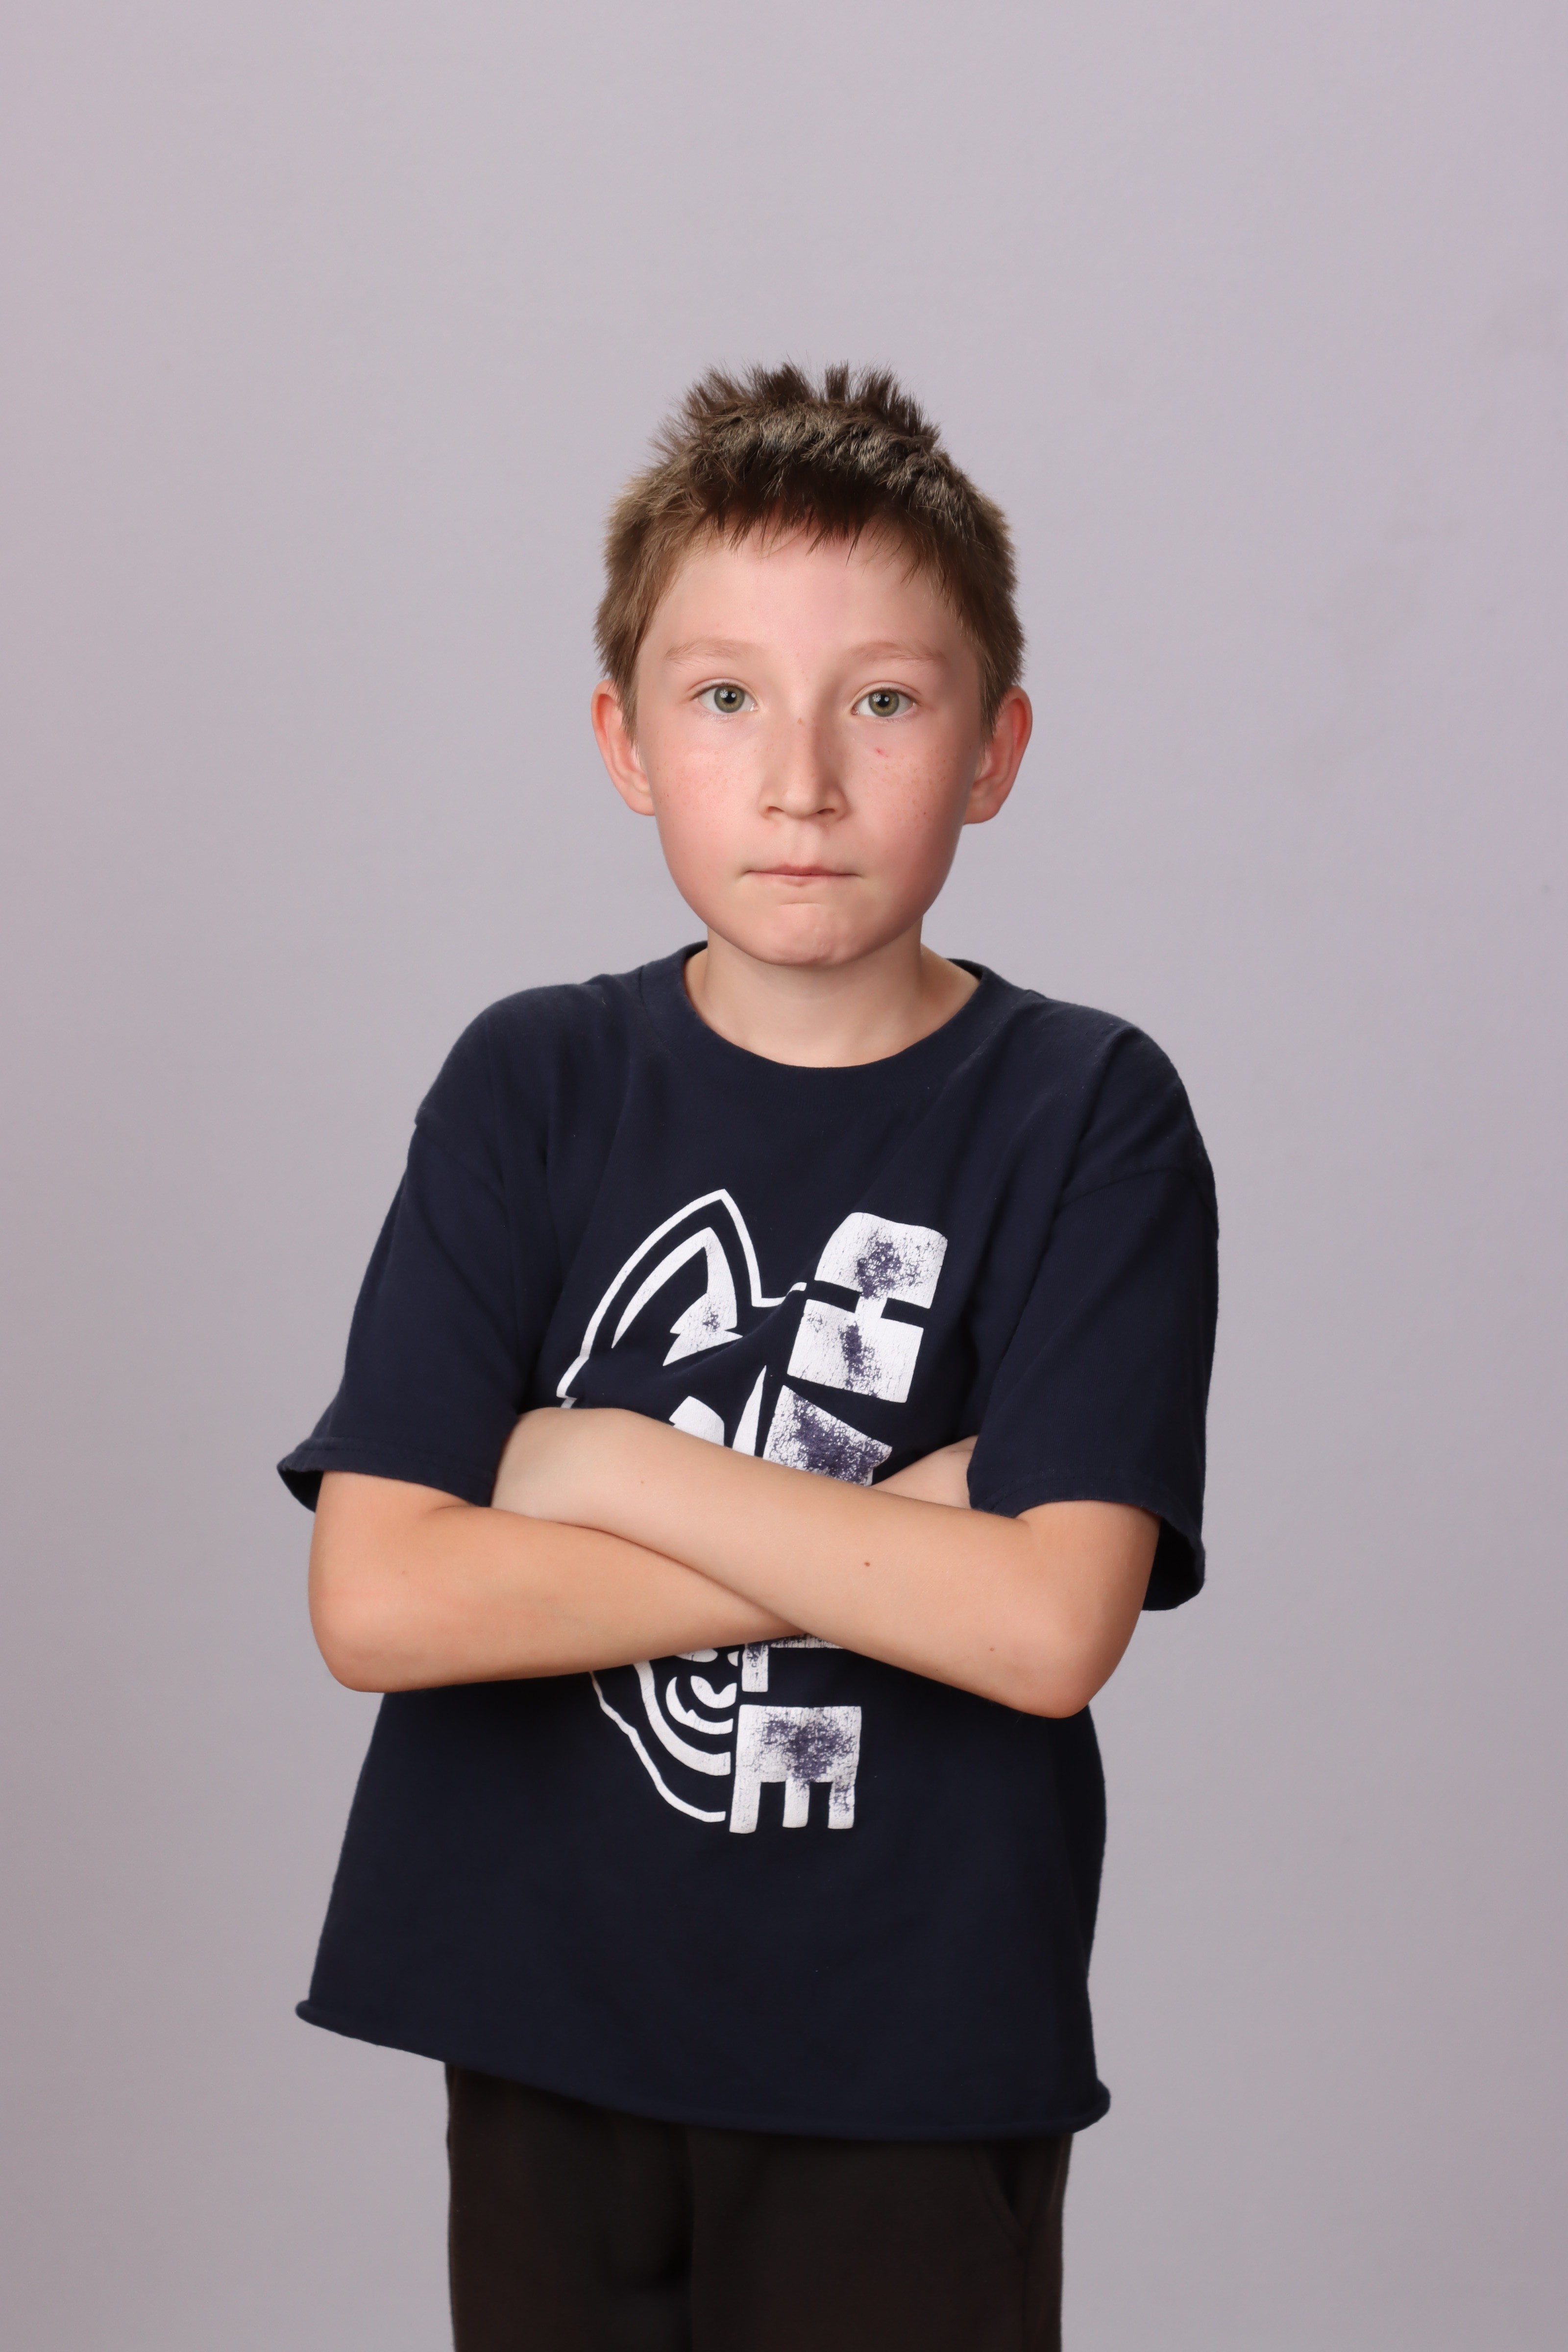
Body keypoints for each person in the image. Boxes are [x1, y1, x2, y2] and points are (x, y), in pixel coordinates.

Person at [280, 363, 1219, 2351]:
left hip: (908, 2044)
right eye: (723, 698)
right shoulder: (531, 1081)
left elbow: (1046, 1630)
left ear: (994, 746)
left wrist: (597, 1464)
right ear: (623, 742)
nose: (800, 780)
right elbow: (380, 1601)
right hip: (539, 2013)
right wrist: (900, 1544)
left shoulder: (1085, 1114)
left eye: (882, 701)